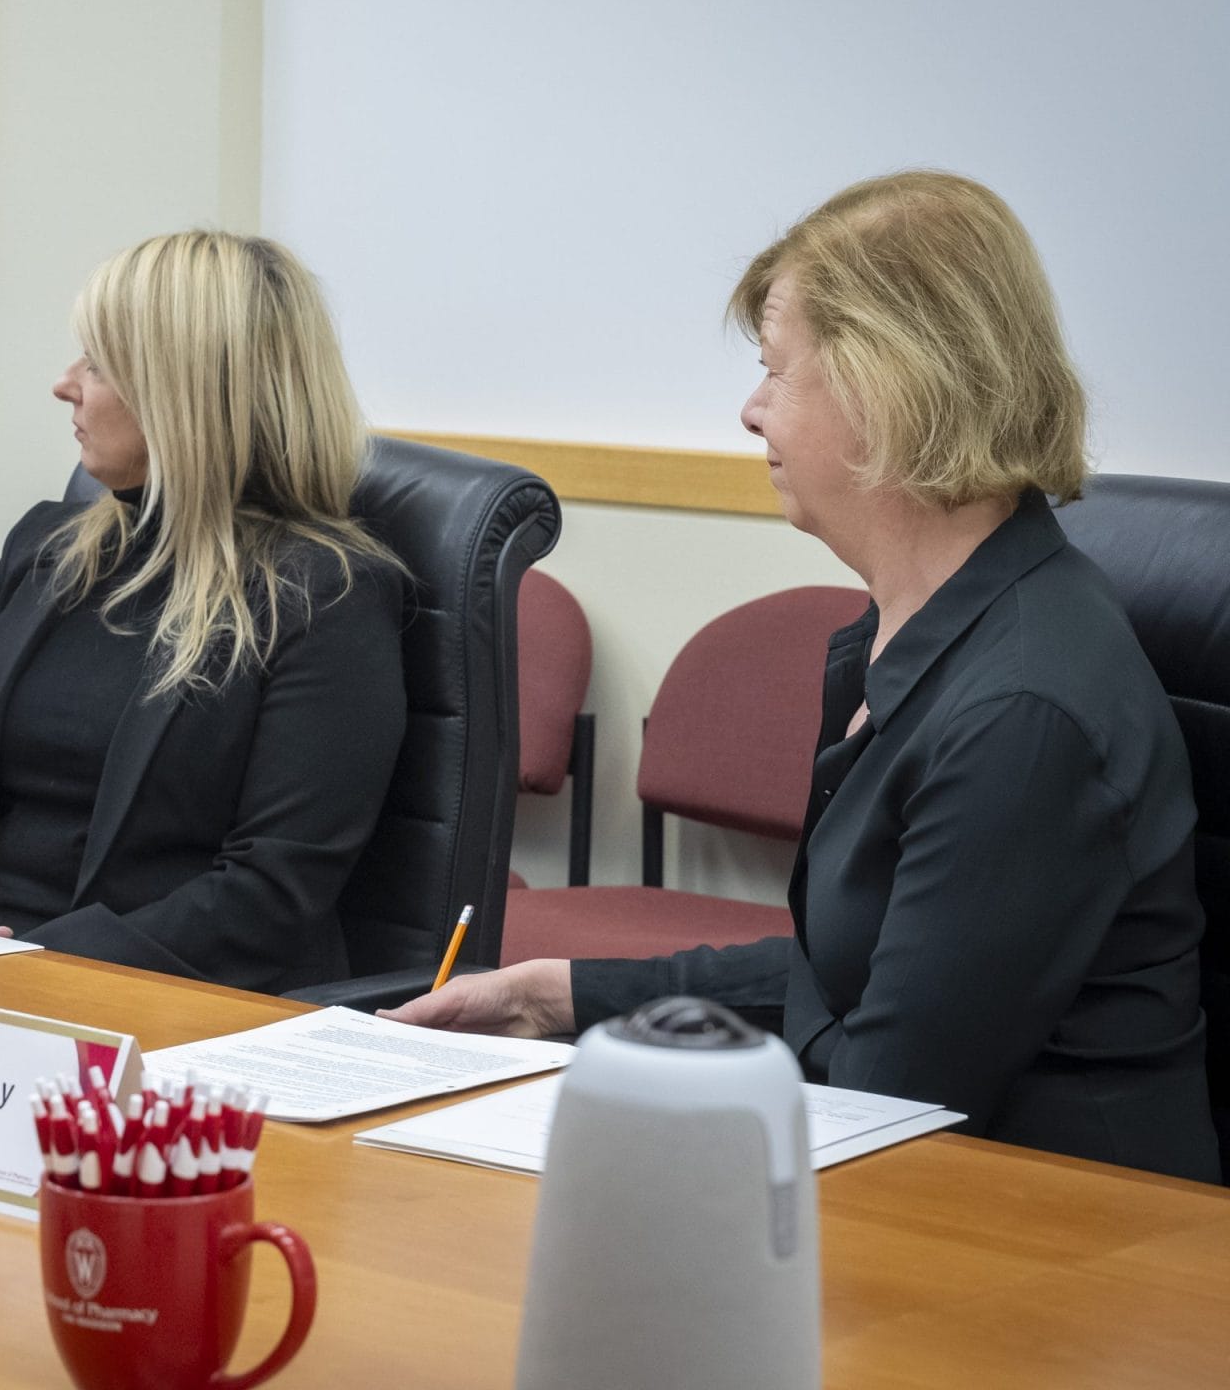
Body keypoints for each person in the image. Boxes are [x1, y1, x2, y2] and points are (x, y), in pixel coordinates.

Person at [386, 171, 1218, 1182]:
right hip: (931, 1196)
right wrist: (550, 993)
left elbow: (884, 1098)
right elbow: (848, 980)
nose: (750, 410)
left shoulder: (1022, 713)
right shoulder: (910, 627)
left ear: (887, 386)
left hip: (1064, 1254)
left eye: (777, 372)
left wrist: (624, 1096)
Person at [0, 231, 406, 993]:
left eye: (96, 364)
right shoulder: (45, 546)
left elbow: (270, 893)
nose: (65, 385)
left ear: (184, 392)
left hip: (158, 1002)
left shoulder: (325, 594)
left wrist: (27, 970)